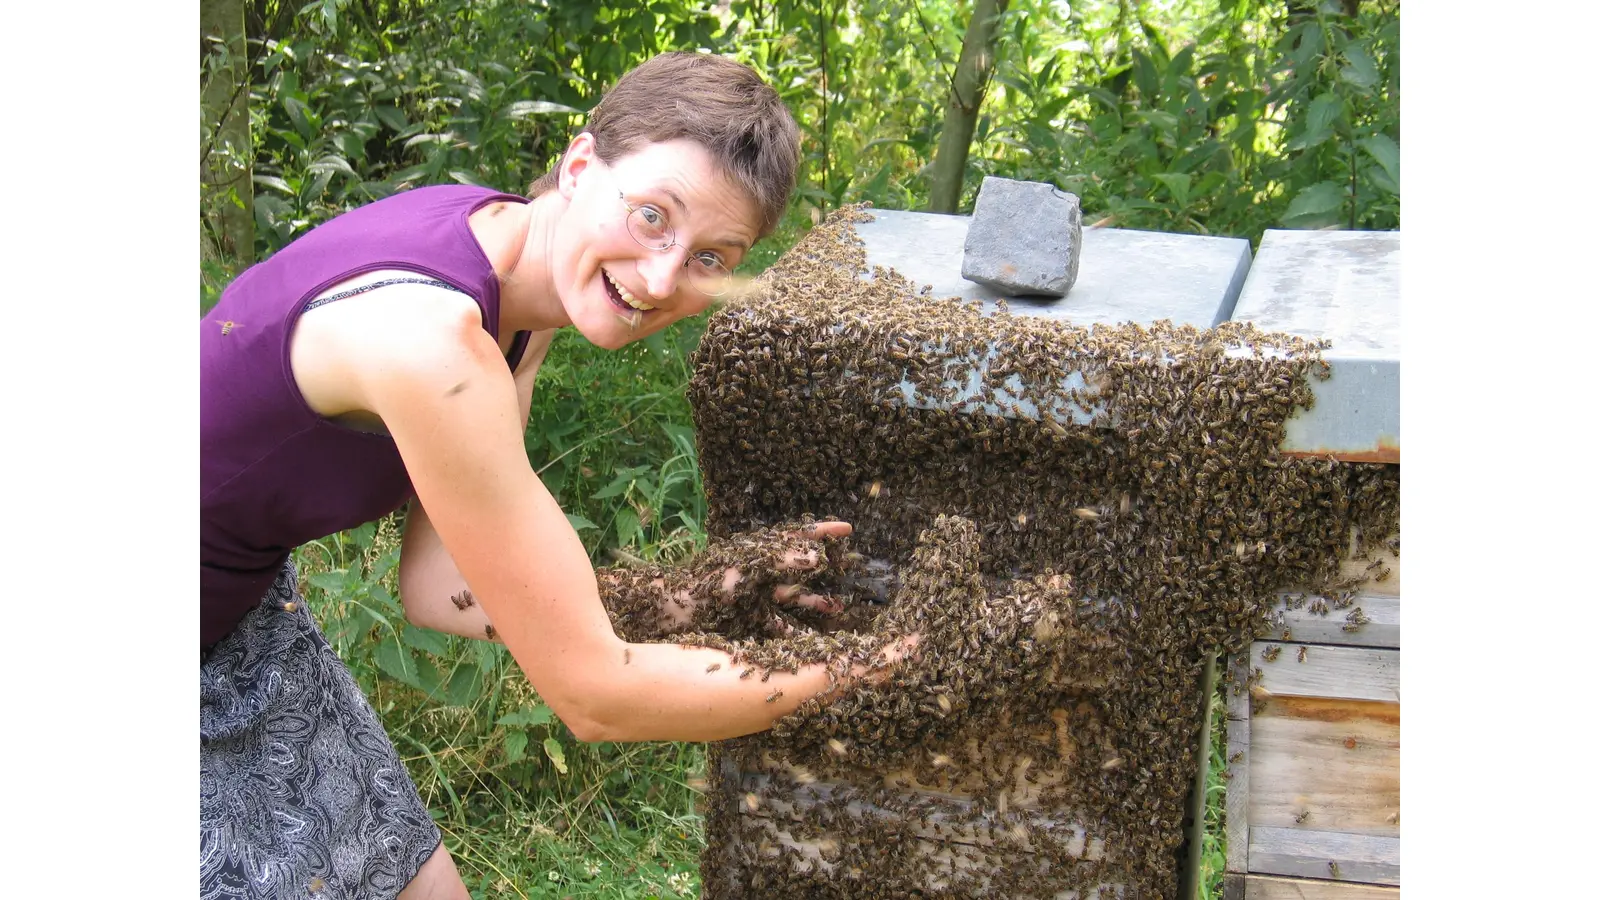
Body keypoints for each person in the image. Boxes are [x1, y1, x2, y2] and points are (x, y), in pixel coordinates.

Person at [201, 51, 907, 900]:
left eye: (711, 258)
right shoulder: (436, 344)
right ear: (579, 166)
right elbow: (595, 696)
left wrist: (708, 593)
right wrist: (872, 668)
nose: (662, 277)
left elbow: (440, 586)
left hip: (240, 617)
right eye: (652, 216)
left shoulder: (512, 280)